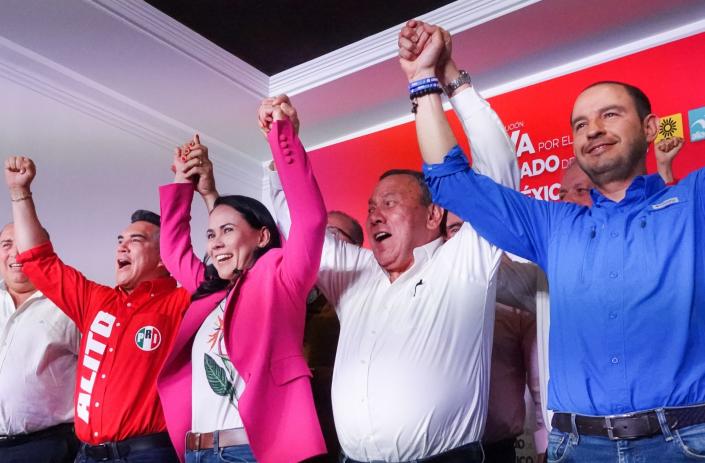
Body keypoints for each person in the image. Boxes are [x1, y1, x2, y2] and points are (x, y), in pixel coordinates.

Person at [412, 21, 705, 461]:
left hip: (682, 442)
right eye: (581, 123)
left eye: (610, 114)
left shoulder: (692, 202)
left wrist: (669, 161)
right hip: (577, 447)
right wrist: (426, 78)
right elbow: (450, 181)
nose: (592, 129)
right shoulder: (554, 224)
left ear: (649, 128)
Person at [266, 22, 519, 459]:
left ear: (434, 213)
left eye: (389, 203)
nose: (373, 214)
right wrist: (282, 144)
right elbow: (297, 226)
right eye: (370, 206)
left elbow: (498, 175)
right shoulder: (355, 276)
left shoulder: (462, 263)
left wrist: (448, 79)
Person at [156, 99, 326, 463]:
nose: (215, 241)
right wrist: (182, 181)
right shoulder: (210, 288)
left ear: (262, 237)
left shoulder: (282, 279)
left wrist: (283, 139)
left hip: (250, 452)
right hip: (197, 451)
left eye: (228, 231)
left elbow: (310, 220)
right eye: (211, 234)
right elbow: (172, 252)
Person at [4, 157, 190, 463]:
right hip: (87, 455)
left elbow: (203, 270)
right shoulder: (96, 300)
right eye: (120, 240)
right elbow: (39, 261)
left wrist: (183, 185)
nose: (121, 246)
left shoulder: (180, 302)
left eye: (136, 240)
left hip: (147, 453)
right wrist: (19, 192)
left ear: (163, 257)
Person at [0, 222, 80, 463]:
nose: (15, 253)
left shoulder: (69, 307)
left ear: (43, 250)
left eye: (23, 244)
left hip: (45, 447)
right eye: (6, 244)